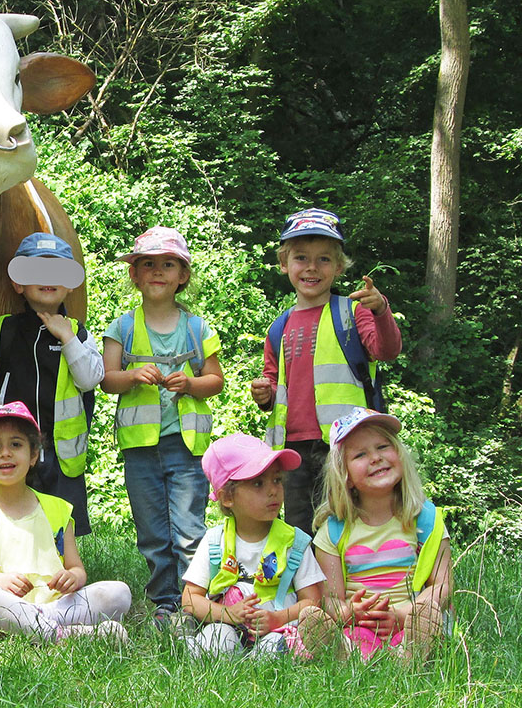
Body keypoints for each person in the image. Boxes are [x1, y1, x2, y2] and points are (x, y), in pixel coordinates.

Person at [100, 226, 224, 625]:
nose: (157, 272)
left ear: (182, 275)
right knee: (152, 529)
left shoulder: (198, 327)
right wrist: (133, 376)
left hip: (187, 446)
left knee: (189, 528)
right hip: (139, 448)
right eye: (147, 264)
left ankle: (195, 600)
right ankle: (164, 601)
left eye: (167, 264)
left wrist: (190, 384)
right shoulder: (122, 326)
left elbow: (215, 381)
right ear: (134, 275)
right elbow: (106, 379)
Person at [250, 208, 401, 532]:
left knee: (345, 523)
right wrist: (265, 394)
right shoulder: (279, 327)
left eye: (323, 260)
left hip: (346, 443)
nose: (311, 268)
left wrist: (381, 310)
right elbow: (274, 384)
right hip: (292, 448)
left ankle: (350, 582)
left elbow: (385, 350)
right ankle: (309, 584)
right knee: (299, 529)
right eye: (301, 258)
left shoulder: (353, 311)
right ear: (284, 264)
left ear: (339, 266)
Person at [0, 232, 103, 535]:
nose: (47, 278)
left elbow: (89, 379)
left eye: (57, 270)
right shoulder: (3, 328)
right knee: (6, 520)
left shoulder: (78, 332)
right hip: (8, 448)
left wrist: (67, 338)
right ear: (19, 282)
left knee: (58, 525)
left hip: (60, 455)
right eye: (36, 271)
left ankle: (59, 575)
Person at [0, 403, 131, 642]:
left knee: (119, 593)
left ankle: (21, 629)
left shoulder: (57, 509)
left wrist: (73, 578)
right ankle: (60, 634)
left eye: (16, 444)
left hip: (56, 605)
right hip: (5, 602)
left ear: (33, 455)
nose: (5, 453)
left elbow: (76, 568)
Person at [298, 409, 452, 661]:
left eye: (383, 446)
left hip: (411, 621)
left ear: (399, 455)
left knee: (429, 620)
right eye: (360, 454)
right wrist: (351, 612)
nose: (376, 458)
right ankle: (344, 654)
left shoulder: (425, 519)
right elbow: (329, 599)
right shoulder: (334, 530)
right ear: (344, 475)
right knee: (345, 633)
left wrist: (404, 615)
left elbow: (443, 585)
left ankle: (409, 657)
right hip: (360, 624)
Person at [181, 433, 324, 655]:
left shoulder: (294, 542)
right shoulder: (214, 541)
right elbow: (190, 599)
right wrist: (228, 614)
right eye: (258, 483)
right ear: (227, 498)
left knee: (274, 651)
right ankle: (194, 644)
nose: (273, 490)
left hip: (278, 630)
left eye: (277, 480)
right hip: (226, 626)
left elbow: (313, 601)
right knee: (216, 641)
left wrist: (277, 619)